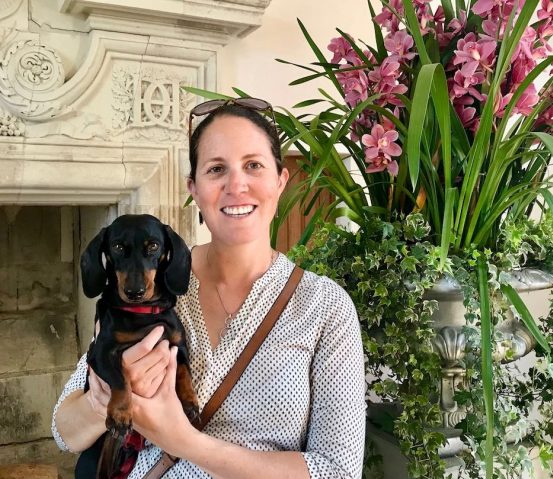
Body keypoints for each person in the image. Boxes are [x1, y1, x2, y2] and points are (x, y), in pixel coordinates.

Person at [51, 98, 367, 478]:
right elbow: (64, 431)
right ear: (194, 188)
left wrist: (183, 440)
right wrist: (103, 399)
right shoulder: (151, 291)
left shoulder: (325, 306)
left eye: (253, 165)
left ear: (280, 181)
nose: (237, 185)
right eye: (216, 169)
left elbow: (337, 471)